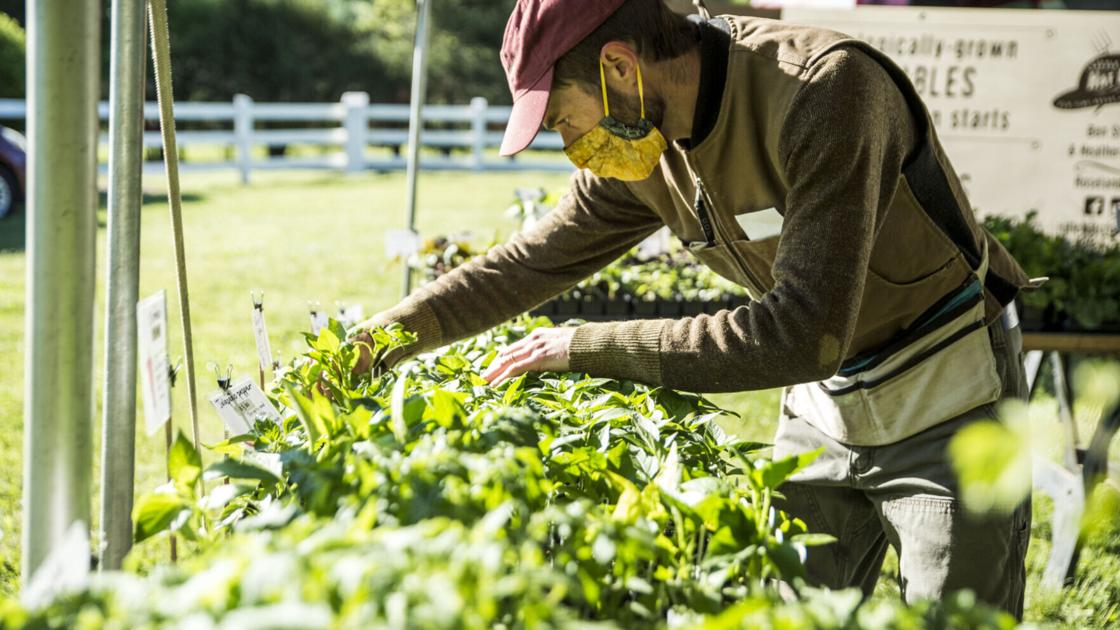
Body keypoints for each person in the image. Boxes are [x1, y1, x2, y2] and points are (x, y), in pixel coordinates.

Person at [352, 0, 1033, 616]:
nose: (568, 144)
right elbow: (524, 266)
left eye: (562, 116)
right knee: (786, 610)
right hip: (827, 405)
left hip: (946, 387)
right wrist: (375, 343)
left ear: (619, 65)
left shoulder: (823, 91)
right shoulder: (640, 153)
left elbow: (802, 334)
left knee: (958, 614)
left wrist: (579, 347)